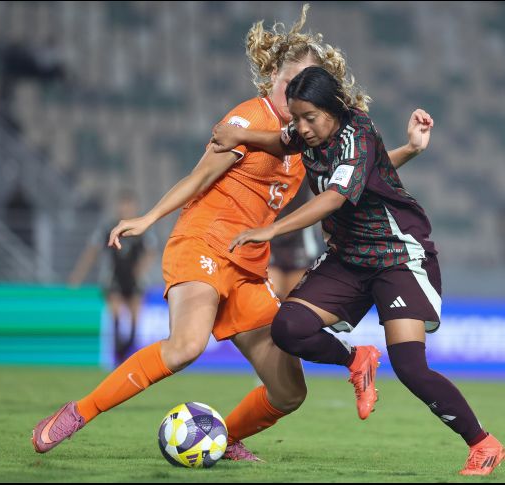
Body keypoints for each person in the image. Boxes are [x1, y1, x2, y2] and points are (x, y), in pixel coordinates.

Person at [31, 4, 431, 462]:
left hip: (247, 261)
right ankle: (77, 412)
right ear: (273, 79)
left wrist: (410, 150)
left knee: (288, 391)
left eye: (305, 88)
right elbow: (200, 177)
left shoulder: (307, 136)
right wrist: (148, 218)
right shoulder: (252, 119)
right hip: (202, 242)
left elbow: (359, 173)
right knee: (185, 346)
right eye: (289, 84)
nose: (295, 95)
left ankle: (225, 437)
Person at [212, 66, 505, 476]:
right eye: (296, 118)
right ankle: (357, 359)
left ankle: (483, 444)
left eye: (309, 118)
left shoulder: (358, 134)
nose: (301, 127)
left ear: (333, 108)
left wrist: (271, 230)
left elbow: (334, 198)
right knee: (289, 328)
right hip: (348, 258)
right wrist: (240, 135)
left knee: (409, 366)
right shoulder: (306, 132)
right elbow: (279, 142)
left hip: (397, 257)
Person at [68, 191, 158, 363]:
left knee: (134, 321)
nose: (125, 209)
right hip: (114, 277)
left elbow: (151, 251)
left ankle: (125, 350)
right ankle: (117, 352)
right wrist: (77, 277)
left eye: (128, 206)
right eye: (122, 206)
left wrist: (141, 269)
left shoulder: (141, 229)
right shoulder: (108, 229)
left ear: (134, 207)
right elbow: (91, 252)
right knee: (115, 314)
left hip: (134, 279)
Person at [268, 182, 325, 300]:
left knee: (294, 299)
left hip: (302, 241)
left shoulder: (310, 167)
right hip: (269, 239)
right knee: (271, 297)